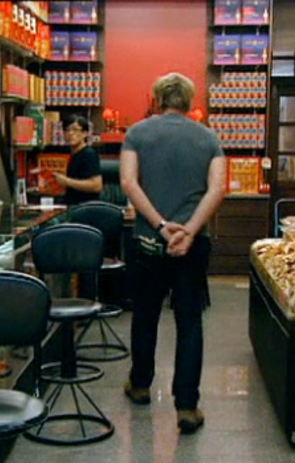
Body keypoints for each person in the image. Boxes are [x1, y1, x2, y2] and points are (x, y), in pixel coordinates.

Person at [120, 72, 225, 434]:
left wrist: (162, 226)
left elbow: (128, 183)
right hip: (193, 245)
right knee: (189, 321)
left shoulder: (137, 133)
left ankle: (140, 384)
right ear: (190, 100)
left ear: (157, 98)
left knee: (145, 315)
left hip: (149, 241)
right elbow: (218, 189)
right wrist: (189, 230)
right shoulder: (209, 138)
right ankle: (186, 405)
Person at [53, 115, 102, 206]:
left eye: (75, 130)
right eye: (67, 130)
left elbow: (96, 185)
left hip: (85, 209)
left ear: (85, 133)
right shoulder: (73, 154)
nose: (70, 133)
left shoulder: (88, 154)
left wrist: (66, 181)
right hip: (72, 206)